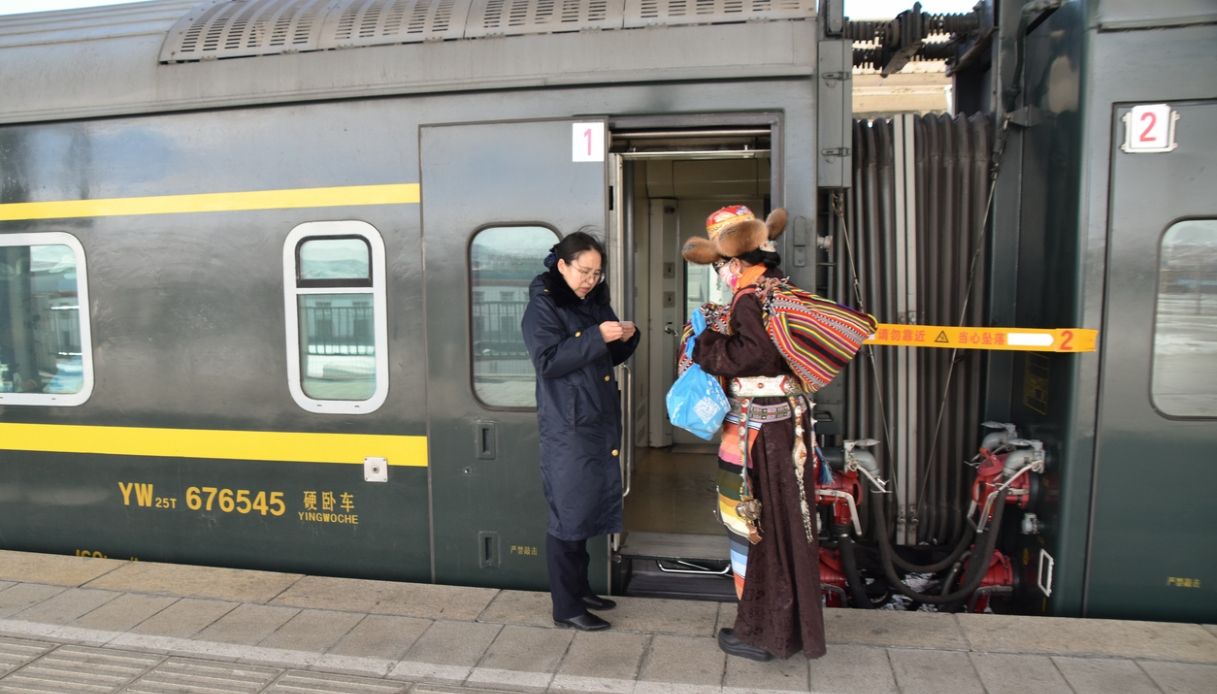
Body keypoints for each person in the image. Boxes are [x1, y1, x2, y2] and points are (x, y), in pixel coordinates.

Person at [682, 205, 828, 661]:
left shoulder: (749, 296)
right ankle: (781, 628)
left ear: (737, 260)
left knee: (756, 526)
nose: (722, 273)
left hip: (760, 432)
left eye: (721, 264)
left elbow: (747, 357)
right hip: (786, 424)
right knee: (786, 526)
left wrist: (704, 342)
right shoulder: (777, 288)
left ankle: (763, 632)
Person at [521, 230, 640, 632]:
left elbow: (608, 353)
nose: (590, 279)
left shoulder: (592, 302)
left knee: (586, 511)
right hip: (568, 428)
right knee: (568, 517)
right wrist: (594, 337)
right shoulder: (543, 305)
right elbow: (548, 361)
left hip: (593, 422)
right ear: (562, 266)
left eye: (597, 273)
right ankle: (566, 607)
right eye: (584, 271)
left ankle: (581, 590)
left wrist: (627, 336)